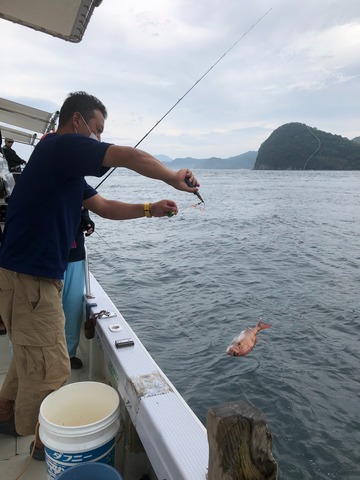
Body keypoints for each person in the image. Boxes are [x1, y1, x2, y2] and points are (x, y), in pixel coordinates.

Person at [0, 91, 200, 459]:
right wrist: (172, 177)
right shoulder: (61, 147)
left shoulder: (63, 166)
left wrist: (148, 209)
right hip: (30, 279)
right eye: (97, 129)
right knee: (51, 371)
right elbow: (125, 155)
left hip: (25, 277)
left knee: (28, 356)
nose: (98, 138)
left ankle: (5, 412)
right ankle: (43, 445)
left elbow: (103, 206)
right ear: (76, 121)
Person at [64, 208, 95, 369]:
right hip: (45, 257)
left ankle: (68, 354)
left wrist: (86, 222)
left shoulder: (79, 188)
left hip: (75, 256)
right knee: (45, 309)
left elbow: (83, 211)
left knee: (72, 308)